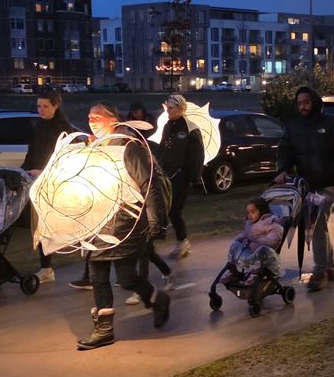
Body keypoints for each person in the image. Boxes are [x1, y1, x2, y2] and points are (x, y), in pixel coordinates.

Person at [77, 103, 172, 349]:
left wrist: (155, 219)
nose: (92, 121)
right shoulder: (92, 147)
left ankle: (157, 300)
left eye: (97, 117)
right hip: (97, 221)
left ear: (114, 119)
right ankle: (104, 330)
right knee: (98, 276)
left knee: (127, 278)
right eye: (89, 117)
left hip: (125, 222)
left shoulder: (129, 147)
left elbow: (147, 184)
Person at [273, 86, 334, 291]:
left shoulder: (332, 124)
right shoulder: (293, 127)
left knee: (315, 224)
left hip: (328, 183)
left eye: (306, 102)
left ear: (315, 102)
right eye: (299, 103)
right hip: (306, 183)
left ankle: (320, 271)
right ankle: (329, 267)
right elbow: (285, 150)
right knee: (320, 225)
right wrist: (283, 170)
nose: (303, 106)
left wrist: (330, 169)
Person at [22, 90, 76, 285]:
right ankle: (46, 267)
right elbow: (32, 153)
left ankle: (88, 269)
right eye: (38, 106)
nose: (41, 110)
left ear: (56, 106)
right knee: (41, 226)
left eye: (45, 106)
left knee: (61, 226)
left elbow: (65, 157)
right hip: (38, 181)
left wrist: (45, 171)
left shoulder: (64, 129)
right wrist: (23, 171)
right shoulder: (39, 127)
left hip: (54, 183)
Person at [157, 94, 203, 260]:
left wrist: (194, 177)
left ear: (181, 109)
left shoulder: (191, 128)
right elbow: (163, 147)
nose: (168, 111)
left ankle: (182, 241)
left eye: (171, 108)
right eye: (166, 107)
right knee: (168, 209)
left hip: (182, 176)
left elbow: (197, 155)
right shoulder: (167, 126)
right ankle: (181, 240)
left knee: (174, 210)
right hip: (166, 174)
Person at [222, 197, 285, 285]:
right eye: (248, 212)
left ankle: (256, 273)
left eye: (253, 212)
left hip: (266, 257)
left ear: (262, 211)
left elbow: (272, 241)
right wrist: (240, 238)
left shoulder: (271, 223)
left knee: (263, 249)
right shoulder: (250, 223)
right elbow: (245, 234)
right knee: (235, 245)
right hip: (250, 255)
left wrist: (256, 239)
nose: (250, 215)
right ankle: (234, 271)